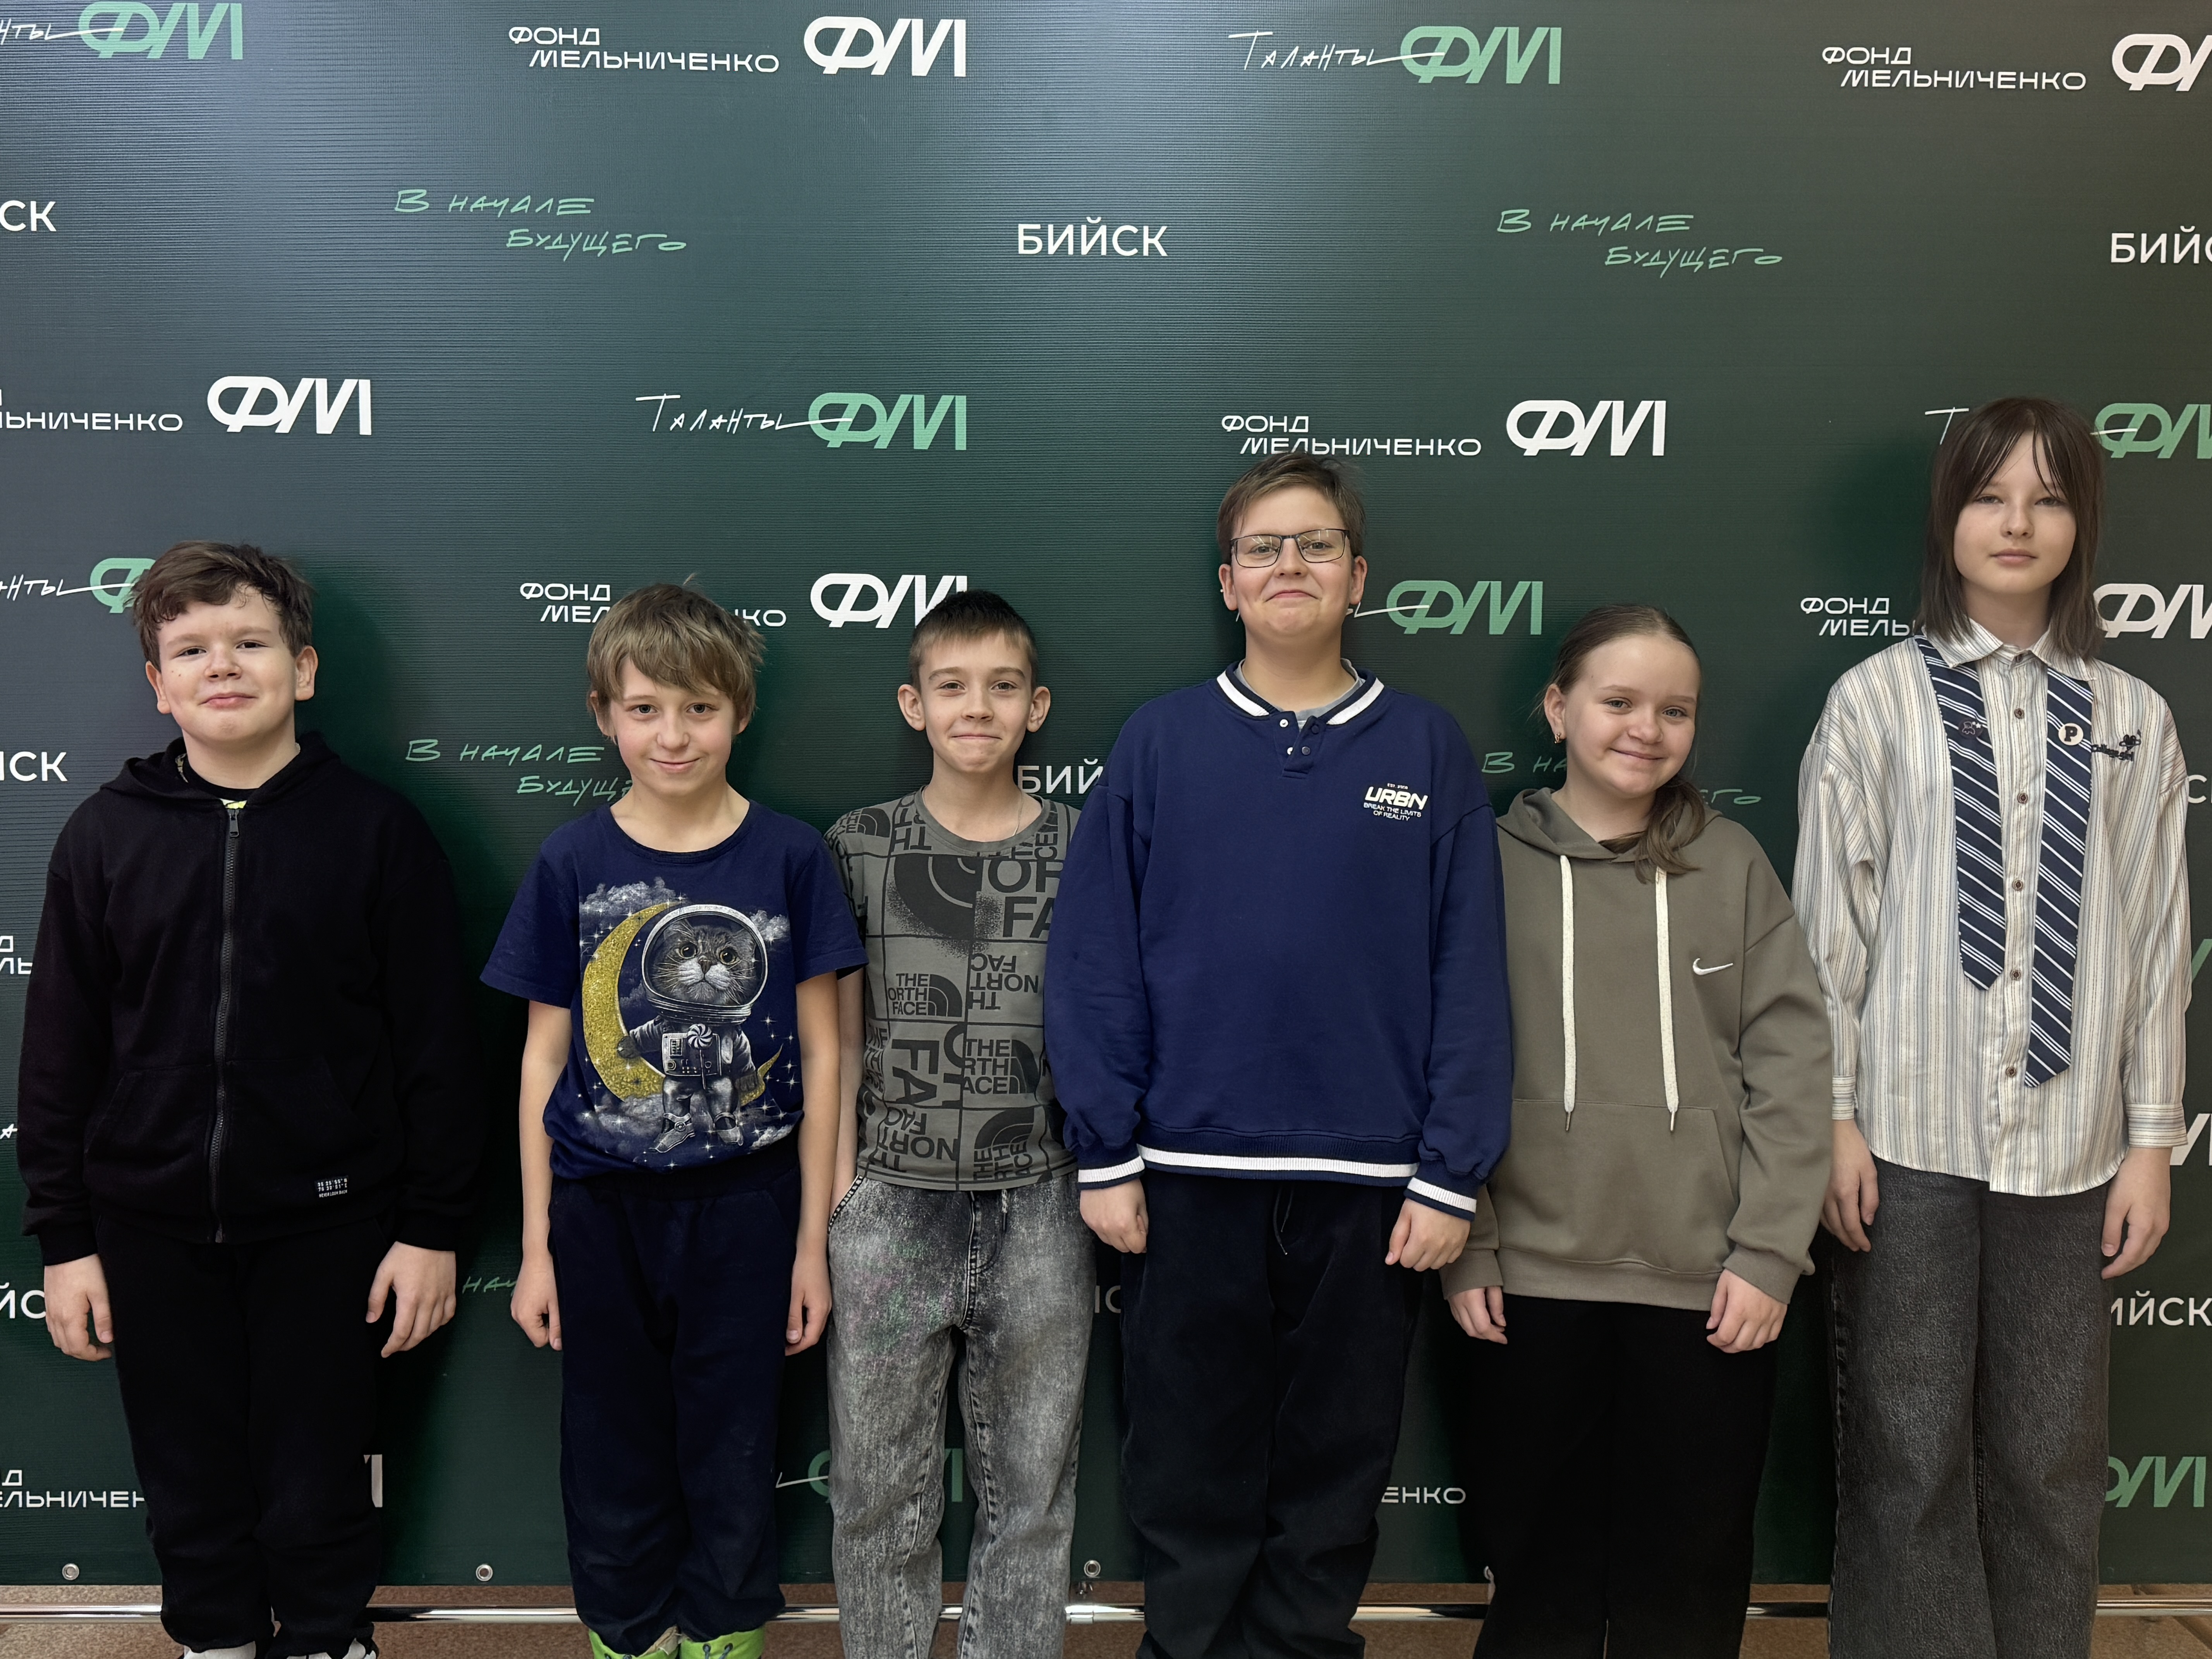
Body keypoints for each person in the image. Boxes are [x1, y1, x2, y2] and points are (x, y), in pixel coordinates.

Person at [1045, 452, 1514, 1659]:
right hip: (1184, 1174)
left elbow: (1469, 970)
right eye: (1264, 547)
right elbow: (1095, 962)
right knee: (1188, 1454)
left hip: (1375, 1187)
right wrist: (1106, 1151)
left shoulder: (1428, 747)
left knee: (1336, 1463)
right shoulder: (1159, 742)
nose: (1289, 564)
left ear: (1359, 576)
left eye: (1315, 544)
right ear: (1229, 582)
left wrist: (1451, 1169)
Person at [18, 541, 483, 1659]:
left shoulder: (377, 832)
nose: (222, 665)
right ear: (158, 683)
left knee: (321, 1465)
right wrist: (66, 1239)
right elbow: (60, 1053)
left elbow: (439, 1047)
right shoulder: (104, 834)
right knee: (185, 1465)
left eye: (250, 642)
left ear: (304, 669)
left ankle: (325, 1635)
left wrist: (431, 1228)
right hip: (146, 1220)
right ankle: (216, 1637)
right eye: (191, 649)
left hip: (333, 1220)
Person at [1797, 398, 2189, 1658]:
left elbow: (2157, 941)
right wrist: (1834, 1117)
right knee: (1909, 1448)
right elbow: (1830, 933)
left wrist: (2150, 1141)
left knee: (2053, 1452)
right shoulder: (1874, 701)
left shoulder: (2133, 714)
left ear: (2082, 524)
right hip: (1905, 1138)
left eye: (2049, 498)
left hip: (2074, 1150)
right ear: (1948, 517)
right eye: (1989, 495)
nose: (2017, 523)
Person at [1441, 604, 1831, 1655]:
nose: (1646, 730)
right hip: (1525, 1284)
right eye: (1619, 701)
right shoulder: (1482, 862)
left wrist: (1768, 1252)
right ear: (1558, 708)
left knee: (1688, 1587)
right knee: (1538, 1586)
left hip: (1710, 1287)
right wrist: (1470, 1240)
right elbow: (1443, 1060)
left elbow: (1792, 1070)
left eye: (1675, 710)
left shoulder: (1733, 863)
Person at [484, 583, 865, 1659]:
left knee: (735, 1437)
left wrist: (815, 1243)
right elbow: (543, 1057)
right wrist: (536, 1246)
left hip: (750, 1204)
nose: (673, 734)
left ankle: (723, 1630)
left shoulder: (790, 854)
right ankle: (626, 1631)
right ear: (605, 713)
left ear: (740, 711)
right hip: (600, 1204)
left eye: (699, 708)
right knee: (611, 1441)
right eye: (646, 708)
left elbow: (829, 1052)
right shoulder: (572, 860)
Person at [823, 589, 1091, 1659]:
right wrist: (842, 1195)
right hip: (890, 1199)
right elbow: (835, 1038)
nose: (977, 707)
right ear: (914, 704)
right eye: (952, 685)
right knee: (877, 1491)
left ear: (1038, 706)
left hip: (1044, 1198)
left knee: (1031, 1491)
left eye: (1003, 686)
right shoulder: (859, 846)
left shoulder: (1085, 844)